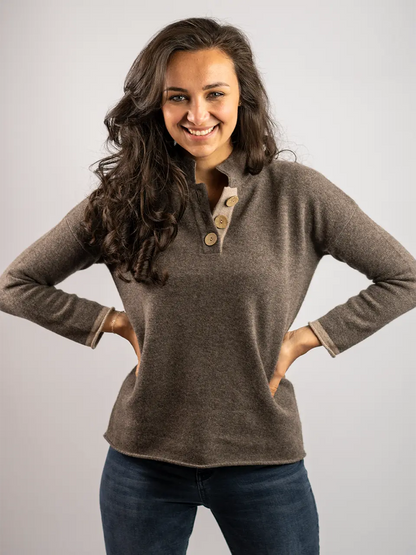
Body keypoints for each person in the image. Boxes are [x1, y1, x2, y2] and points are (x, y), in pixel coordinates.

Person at [1, 16, 415, 555]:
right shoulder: (124, 199)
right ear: (157, 105)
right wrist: (114, 322)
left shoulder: (298, 195)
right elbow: (16, 284)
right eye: (178, 97)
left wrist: (303, 339)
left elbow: (403, 277)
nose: (197, 115)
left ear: (242, 97)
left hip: (263, 458)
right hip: (143, 461)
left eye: (214, 94)